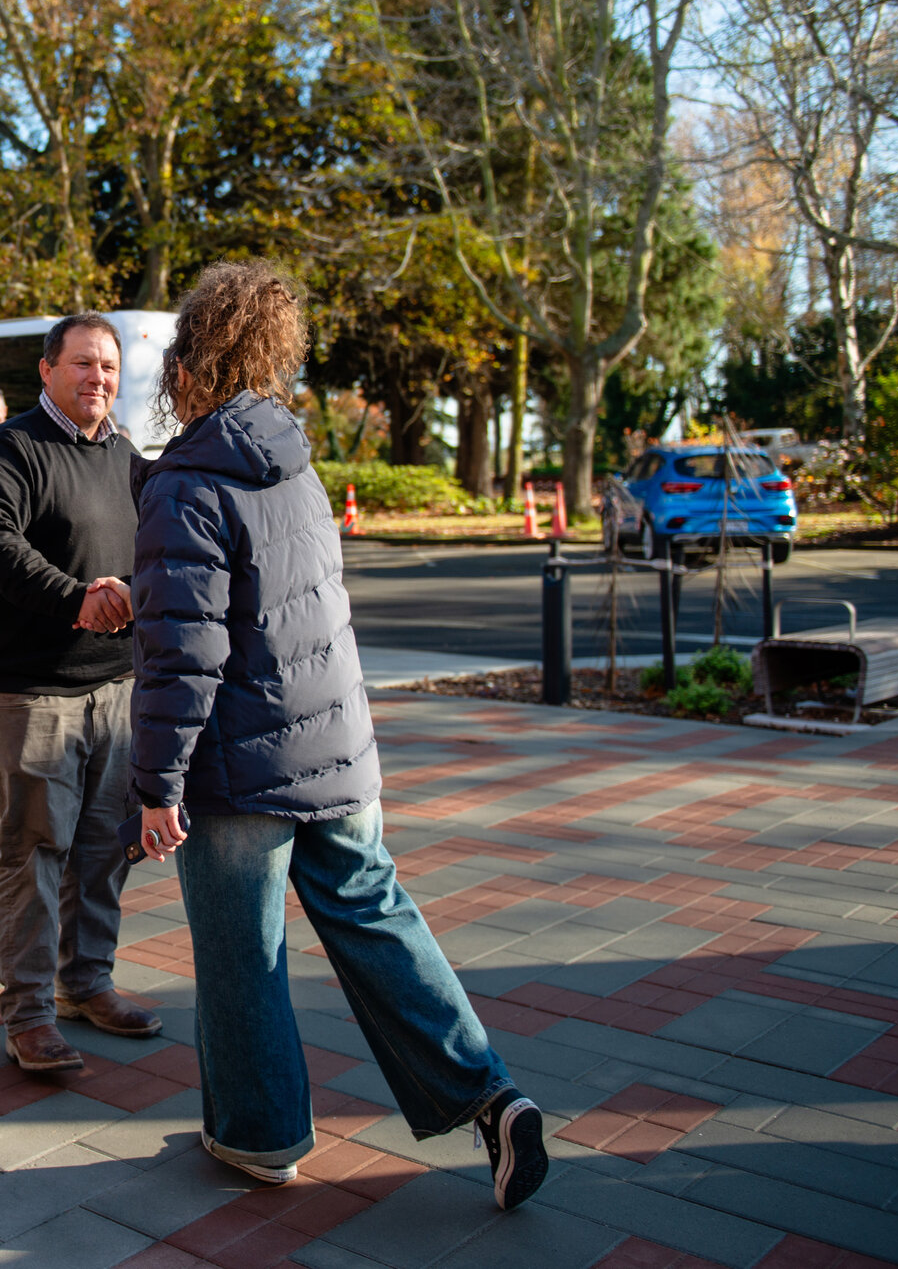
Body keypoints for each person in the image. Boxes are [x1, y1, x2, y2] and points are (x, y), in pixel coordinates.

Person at [130, 262, 548, 1207]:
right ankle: (491, 1096)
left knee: (242, 953)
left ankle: (260, 1135)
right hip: (336, 750)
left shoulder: (187, 481)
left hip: (240, 767)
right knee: (377, 917)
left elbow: (186, 655)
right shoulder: (297, 465)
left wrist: (156, 785)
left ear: (190, 367)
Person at [0, 314, 154, 1073]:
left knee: (105, 849)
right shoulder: (9, 448)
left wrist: (131, 593)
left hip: (114, 687)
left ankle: (86, 983)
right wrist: (77, 599)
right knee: (35, 852)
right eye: (82, 363)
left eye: (108, 366)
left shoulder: (124, 453)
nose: (97, 377)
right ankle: (31, 1014)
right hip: (26, 692)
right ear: (47, 370)